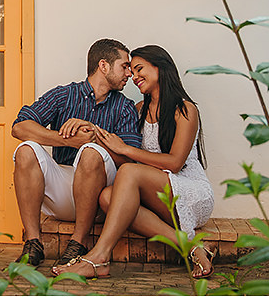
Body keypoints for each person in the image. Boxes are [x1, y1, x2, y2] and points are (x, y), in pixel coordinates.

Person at [50, 45, 216, 279]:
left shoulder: (184, 109)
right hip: (157, 195)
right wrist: (86, 126)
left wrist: (126, 149)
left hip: (189, 192)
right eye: (131, 70)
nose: (134, 76)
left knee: (129, 171)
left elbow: (175, 163)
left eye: (139, 69)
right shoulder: (138, 110)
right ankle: (189, 245)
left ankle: (98, 257)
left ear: (161, 67)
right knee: (107, 197)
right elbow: (113, 145)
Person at [11, 38, 142, 270]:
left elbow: (131, 159)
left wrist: (92, 136)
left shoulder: (125, 107)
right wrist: (66, 140)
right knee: (25, 150)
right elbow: (19, 127)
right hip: (62, 190)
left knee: (91, 152)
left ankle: (78, 243)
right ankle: (33, 243)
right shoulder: (64, 95)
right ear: (103, 65)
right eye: (124, 66)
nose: (129, 74)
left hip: (100, 197)